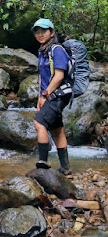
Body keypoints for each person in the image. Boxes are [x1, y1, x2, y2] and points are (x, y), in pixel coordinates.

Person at [32, 18, 72, 175]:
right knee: (57, 130)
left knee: (39, 123)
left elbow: (59, 76)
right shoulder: (42, 51)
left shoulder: (57, 50)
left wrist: (46, 94)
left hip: (59, 94)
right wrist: (40, 97)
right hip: (50, 94)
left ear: (52, 32)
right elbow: (42, 76)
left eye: (44, 31)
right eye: (37, 31)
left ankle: (43, 161)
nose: (40, 34)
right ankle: (65, 167)